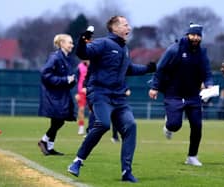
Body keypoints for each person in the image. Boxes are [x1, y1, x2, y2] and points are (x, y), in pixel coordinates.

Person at [67, 16, 156, 182]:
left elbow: (128, 69)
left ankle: (126, 172)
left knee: (131, 126)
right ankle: (77, 161)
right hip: (100, 93)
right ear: (115, 28)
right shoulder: (103, 43)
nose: (129, 27)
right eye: (125, 24)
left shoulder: (124, 48)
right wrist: (84, 38)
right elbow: (82, 52)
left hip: (119, 97)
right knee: (103, 124)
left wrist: (148, 69)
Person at [148, 23, 214, 166]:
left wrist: (209, 84)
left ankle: (192, 156)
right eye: (193, 35)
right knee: (174, 125)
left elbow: (207, 72)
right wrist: (154, 87)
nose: (196, 38)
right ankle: (168, 126)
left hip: (193, 95)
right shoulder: (174, 49)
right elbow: (160, 69)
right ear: (187, 35)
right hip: (174, 94)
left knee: (197, 126)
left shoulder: (202, 52)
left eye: (198, 35)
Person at [37, 34, 77, 156]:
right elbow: (45, 75)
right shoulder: (55, 58)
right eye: (69, 42)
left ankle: (50, 147)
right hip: (54, 96)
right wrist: (65, 80)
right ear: (62, 44)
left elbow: (68, 77)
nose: (72, 45)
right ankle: (43, 141)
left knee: (57, 121)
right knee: (58, 120)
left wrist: (71, 81)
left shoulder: (66, 58)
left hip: (61, 94)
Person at [75, 60, 90, 135]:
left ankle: (91, 128)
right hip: (81, 92)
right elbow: (76, 80)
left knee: (93, 111)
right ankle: (81, 126)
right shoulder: (79, 67)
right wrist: (76, 93)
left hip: (91, 91)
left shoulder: (94, 66)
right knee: (81, 109)